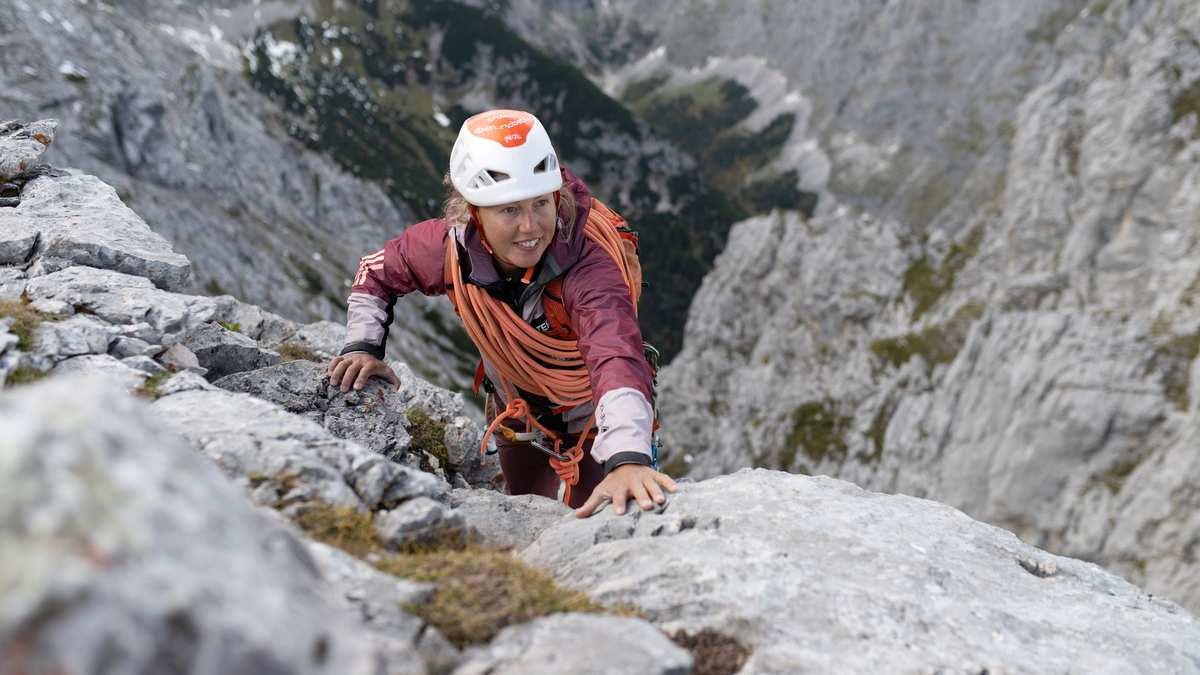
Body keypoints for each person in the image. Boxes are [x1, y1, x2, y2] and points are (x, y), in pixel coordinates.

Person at [327, 109, 677, 518]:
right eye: (508, 210)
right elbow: (376, 272)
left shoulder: (586, 266)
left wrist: (628, 457)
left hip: (595, 424)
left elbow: (614, 351)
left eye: (541, 204)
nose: (531, 227)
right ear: (473, 211)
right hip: (517, 415)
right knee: (519, 511)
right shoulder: (449, 250)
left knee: (607, 519)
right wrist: (363, 347)